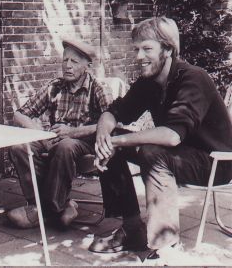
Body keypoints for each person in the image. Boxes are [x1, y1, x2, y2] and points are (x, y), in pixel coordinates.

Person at [90, 17, 232, 260]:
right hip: (180, 155)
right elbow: (116, 111)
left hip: (217, 162)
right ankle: (133, 228)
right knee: (112, 141)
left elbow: (172, 135)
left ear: (167, 49)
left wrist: (117, 142)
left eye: (147, 48)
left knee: (150, 152)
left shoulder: (193, 78)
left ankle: (165, 247)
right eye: (136, 49)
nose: (138, 57)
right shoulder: (150, 82)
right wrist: (105, 133)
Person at [7, 37, 113, 229]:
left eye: (74, 61)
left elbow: (113, 122)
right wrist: (41, 134)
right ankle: (48, 206)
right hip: (54, 138)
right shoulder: (55, 86)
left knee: (65, 146)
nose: (68, 66)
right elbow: (19, 114)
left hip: (85, 142)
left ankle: (48, 209)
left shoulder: (97, 89)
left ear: (87, 65)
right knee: (19, 147)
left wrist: (72, 132)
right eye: (65, 60)